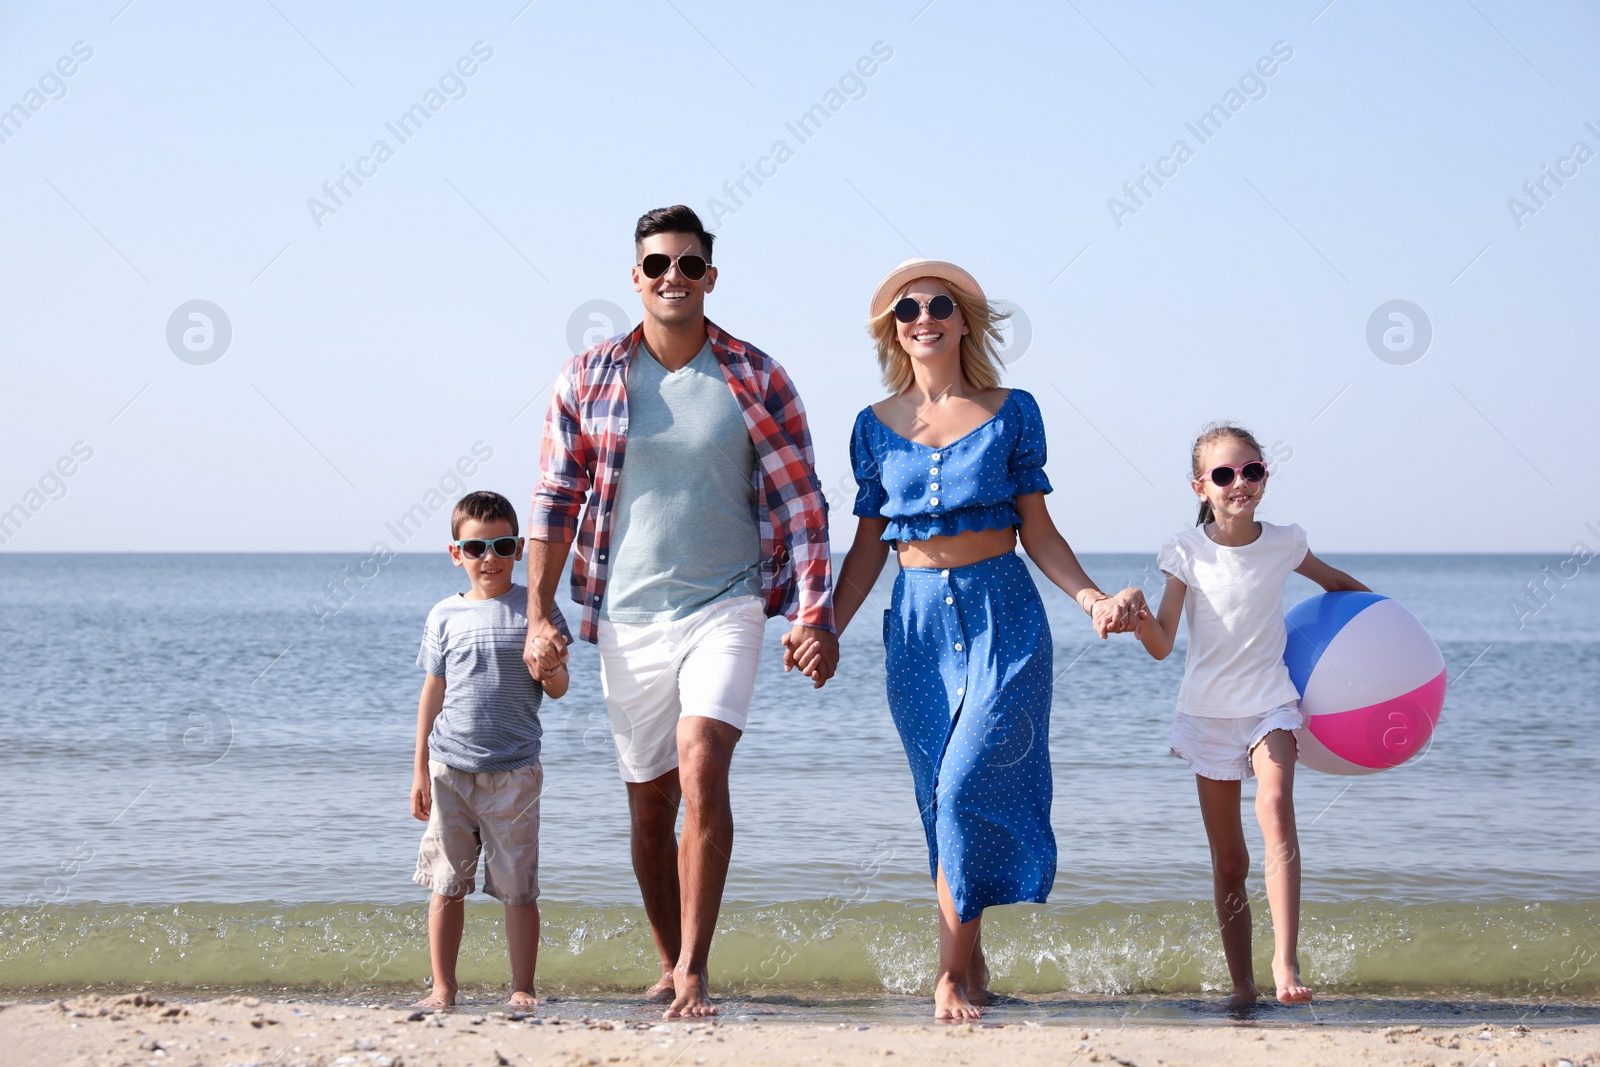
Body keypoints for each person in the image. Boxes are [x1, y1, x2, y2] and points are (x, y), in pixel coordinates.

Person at [809, 259, 1144, 1020]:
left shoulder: (1013, 409)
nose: (922, 317)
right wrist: (827, 625)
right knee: (937, 798)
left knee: (965, 786)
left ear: (963, 320)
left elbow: (1040, 531)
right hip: (915, 621)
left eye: (937, 305)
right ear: (892, 330)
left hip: (1005, 614)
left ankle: (948, 977)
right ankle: (973, 957)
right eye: (906, 310)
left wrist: (1089, 596)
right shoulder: (871, 425)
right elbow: (867, 550)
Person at [524, 205, 837, 1019]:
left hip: (726, 601)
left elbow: (804, 504)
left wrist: (814, 612)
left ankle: (696, 967)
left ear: (710, 277)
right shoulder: (587, 375)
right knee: (649, 803)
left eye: (689, 265)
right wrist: (538, 610)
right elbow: (556, 498)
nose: (673, 277)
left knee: (702, 760)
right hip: (625, 615)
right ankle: (668, 959)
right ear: (635, 277)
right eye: (658, 264)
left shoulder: (757, 375)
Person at [1132, 423, 1369, 1008]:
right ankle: (1243, 986)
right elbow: (1163, 643)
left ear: (1265, 477)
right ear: (1201, 487)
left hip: (1271, 702)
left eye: (1252, 471)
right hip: (1207, 714)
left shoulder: (1285, 542)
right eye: (1224, 474)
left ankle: (1285, 962)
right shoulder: (1186, 552)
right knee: (1230, 860)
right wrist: (1135, 616)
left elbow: (1335, 584)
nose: (1240, 483)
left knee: (1275, 807)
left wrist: (1382, 625)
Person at [410, 490, 570, 1009]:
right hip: (450, 768)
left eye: (502, 546)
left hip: (516, 771)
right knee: (447, 882)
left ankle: (522, 987)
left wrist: (549, 666)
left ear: (520, 548)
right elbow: (432, 692)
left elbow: (560, 687)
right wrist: (418, 769)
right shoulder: (443, 616)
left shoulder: (536, 610)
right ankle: (443, 987)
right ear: (457, 553)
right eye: (476, 548)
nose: (490, 559)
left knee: (519, 889)